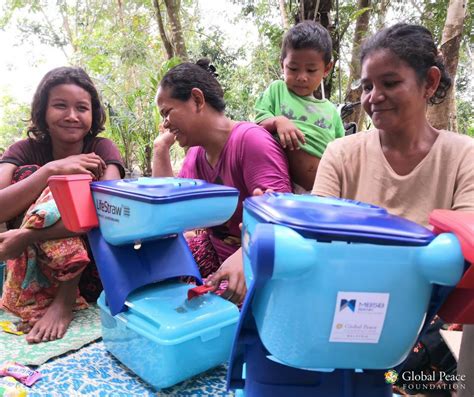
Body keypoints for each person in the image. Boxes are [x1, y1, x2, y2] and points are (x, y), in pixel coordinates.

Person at [312, 23, 474, 396]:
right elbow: (318, 235)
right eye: (368, 86)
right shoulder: (342, 154)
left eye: (390, 82)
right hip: (347, 310)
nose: (374, 97)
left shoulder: (462, 156)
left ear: (429, 82)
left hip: (428, 320)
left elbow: (462, 258)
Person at [0, 66, 125, 344]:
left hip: (88, 269)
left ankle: (64, 299)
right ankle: (36, 297)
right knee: (30, 175)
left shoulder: (102, 149)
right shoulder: (23, 150)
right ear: (43, 111)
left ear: (92, 115)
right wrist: (49, 171)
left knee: (79, 184)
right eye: (60, 106)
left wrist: (27, 235)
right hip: (32, 265)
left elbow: (108, 210)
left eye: (81, 108)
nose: (71, 116)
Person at [152, 59, 292, 304]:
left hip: (260, 259)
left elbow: (284, 219)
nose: (165, 123)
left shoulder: (250, 142)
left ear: (197, 100)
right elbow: (168, 213)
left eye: (167, 112)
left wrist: (247, 253)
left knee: (211, 312)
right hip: (216, 253)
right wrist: (160, 149)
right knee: (156, 278)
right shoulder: (196, 155)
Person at [255, 20, 345, 193]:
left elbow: (341, 150)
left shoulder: (331, 111)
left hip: (325, 189)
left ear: (326, 69)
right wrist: (278, 121)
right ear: (282, 64)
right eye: (293, 68)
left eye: (311, 70)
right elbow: (256, 127)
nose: (302, 77)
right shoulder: (277, 90)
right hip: (282, 184)